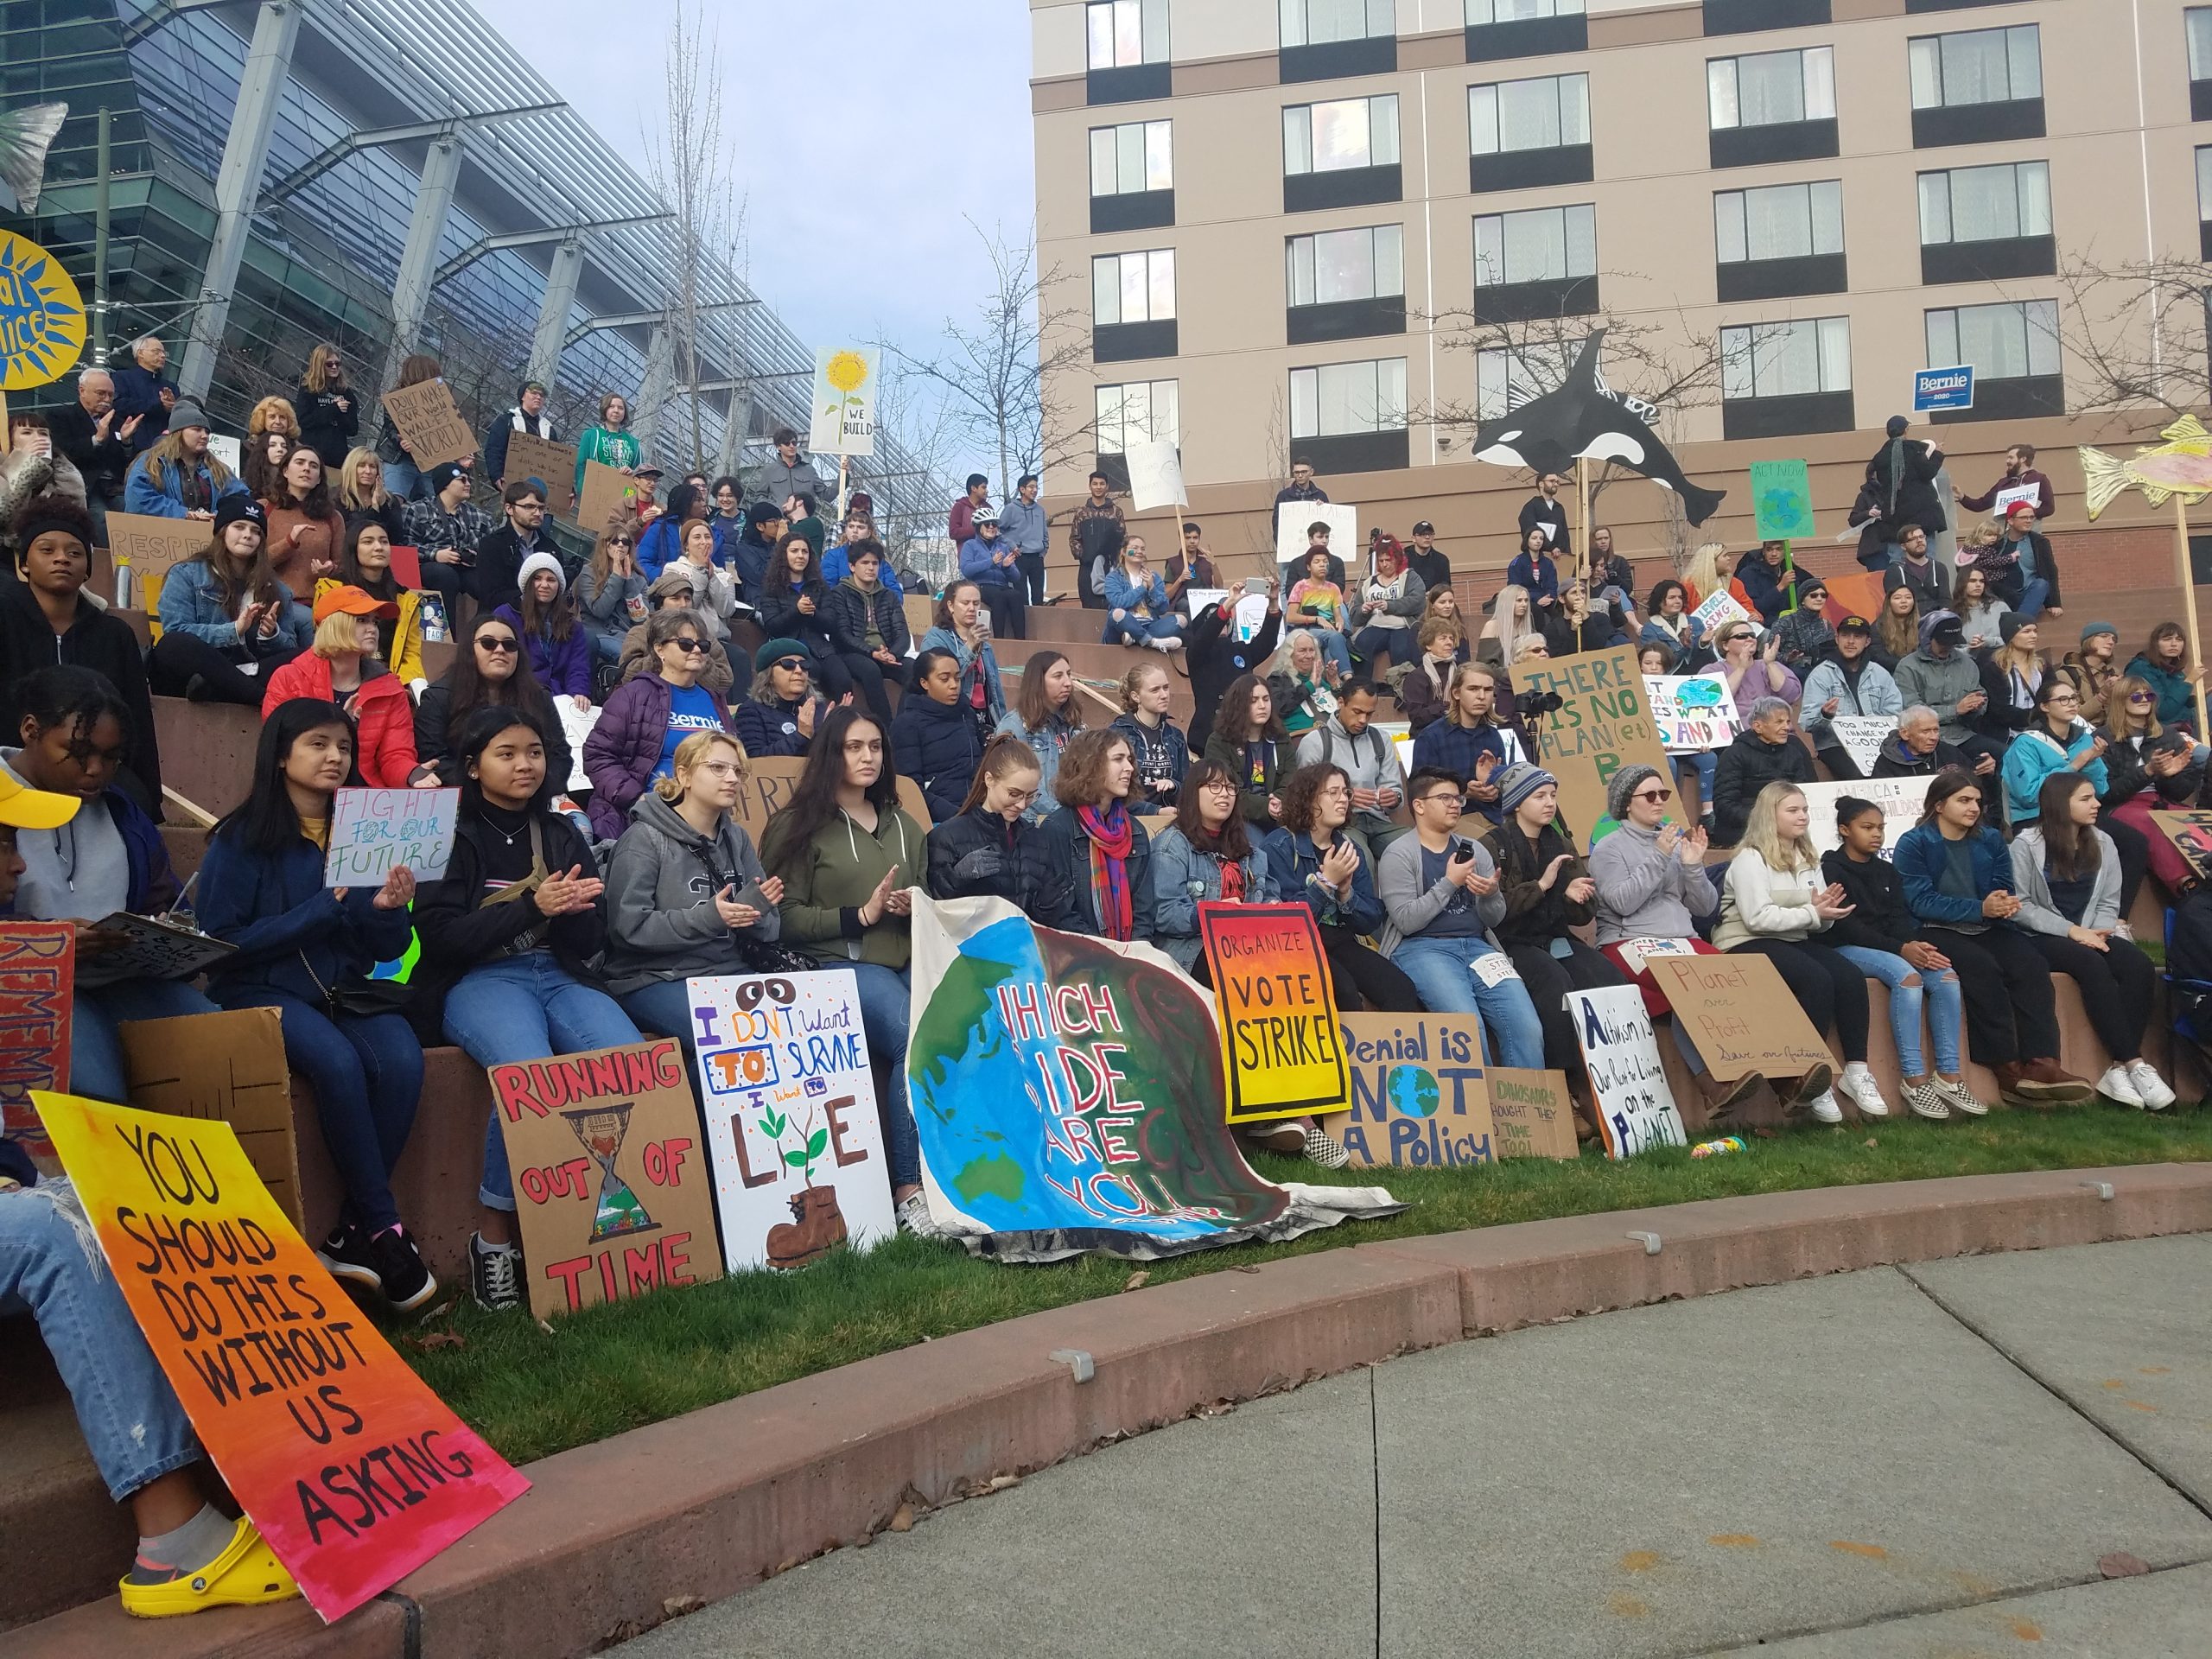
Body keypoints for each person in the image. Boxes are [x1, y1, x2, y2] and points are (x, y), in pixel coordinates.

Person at [196, 698, 431, 1306]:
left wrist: (386, 911)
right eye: (318, 745)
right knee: (336, 1062)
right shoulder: (241, 839)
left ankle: (352, 1232)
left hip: (342, 990)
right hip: (258, 990)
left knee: (404, 1057)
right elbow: (220, 946)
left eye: (344, 748)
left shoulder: (363, 832)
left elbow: (387, 944)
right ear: (280, 756)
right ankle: (383, 1227)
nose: (335, 757)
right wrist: (321, 908)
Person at [411, 709, 641, 1310]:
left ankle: (598, 1234)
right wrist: (534, 907)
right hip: (480, 980)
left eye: (534, 753)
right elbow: (440, 938)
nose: (524, 765)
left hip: (561, 977)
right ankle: (493, 1243)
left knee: (627, 1063)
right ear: (473, 765)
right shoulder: (449, 834)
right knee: (528, 1077)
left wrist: (579, 914)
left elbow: (589, 946)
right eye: (507, 753)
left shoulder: (564, 832)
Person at [2, 668, 214, 1101]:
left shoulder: (121, 810)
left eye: (111, 757)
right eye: (78, 752)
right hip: (33, 987)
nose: (96, 771)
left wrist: (167, 931)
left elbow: (165, 897)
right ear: (30, 730)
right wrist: (49, 944)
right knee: (98, 1094)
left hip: (125, 978)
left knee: (219, 1046)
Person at [760, 705, 931, 1230]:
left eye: (875, 747)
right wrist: (859, 916)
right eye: (854, 747)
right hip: (835, 967)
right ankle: (908, 1191)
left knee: (967, 1021)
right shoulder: (797, 826)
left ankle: (965, 1176)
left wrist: (914, 904)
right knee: (912, 1033)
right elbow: (778, 921)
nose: (867, 757)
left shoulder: (905, 823)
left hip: (908, 957)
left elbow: (930, 895)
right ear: (830, 754)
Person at [1893, 767, 2093, 1106]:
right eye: (1964, 800)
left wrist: (2003, 903)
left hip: (1990, 926)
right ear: (1939, 805)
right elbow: (1920, 901)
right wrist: (1980, 909)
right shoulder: (1915, 843)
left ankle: (2044, 1063)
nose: (1973, 808)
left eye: (1977, 801)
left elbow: (2002, 885)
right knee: (1982, 969)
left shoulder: (1989, 839)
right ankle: (2007, 1069)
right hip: (1935, 929)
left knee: (2031, 965)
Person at [1587, 763, 1772, 1122]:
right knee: (1687, 988)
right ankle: (1711, 1086)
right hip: (1630, 942)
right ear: (1628, 803)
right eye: (1650, 795)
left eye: (1665, 794)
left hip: (1682, 939)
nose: (1660, 802)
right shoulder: (1609, 849)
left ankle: (1785, 1081)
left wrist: (1692, 866)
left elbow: (1705, 907)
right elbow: (1622, 902)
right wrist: (1659, 855)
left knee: (1742, 979)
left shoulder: (1674, 843)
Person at [602, 728, 785, 1072]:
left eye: (737, 771)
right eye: (717, 768)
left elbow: (772, 928)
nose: (731, 778)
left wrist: (754, 911)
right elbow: (627, 929)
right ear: (684, 775)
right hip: (656, 978)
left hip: (730, 974)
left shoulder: (737, 838)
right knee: (729, 1043)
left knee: (792, 1029)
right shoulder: (644, 839)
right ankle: (709, 1127)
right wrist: (712, 918)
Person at [1713, 781, 1880, 1122]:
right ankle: (1805, 1077)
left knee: (1848, 976)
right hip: (1742, 941)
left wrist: (1826, 916)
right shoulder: (1750, 858)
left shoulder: (1807, 856)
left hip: (1791, 937)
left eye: (1804, 809)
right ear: (1769, 815)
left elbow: (1813, 921)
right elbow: (1756, 918)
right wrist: (1813, 913)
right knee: (1815, 979)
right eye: (1793, 810)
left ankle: (1856, 1071)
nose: (1802, 816)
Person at [1476, 763, 1630, 1122]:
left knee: (1611, 981)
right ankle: (1569, 1086)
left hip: (1556, 936)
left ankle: (1616, 1085)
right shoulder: (1493, 845)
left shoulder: (1560, 843)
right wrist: (1543, 887)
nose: (1549, 803)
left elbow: (1585, 911)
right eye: (1539, 796)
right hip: (1510, 942)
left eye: (1553, 795)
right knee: (1555, 986)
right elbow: (1493, 912)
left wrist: (1573, 899)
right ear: (1516, 803)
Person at [2010, 773, 2174, 1109]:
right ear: (2060, 803)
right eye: (2085, 798)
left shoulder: (2103, 842)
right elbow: (2020, 905)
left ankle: (2117, 1070)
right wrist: (2072, 932)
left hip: (2093, 932)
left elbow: (2109, 901)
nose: (2096, 804)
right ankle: (2134, 1062)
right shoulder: (2025, 845)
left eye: (2094, 797)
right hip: (2042, 936)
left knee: (2138, 965)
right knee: (2090, 964)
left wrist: (2098, 932)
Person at [1820, 795, 1980, 1121]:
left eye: (1881, 827)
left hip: (1892, 946)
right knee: (1908, 978)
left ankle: (1949, 1076)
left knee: (1946, 976)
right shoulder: (1830, 869)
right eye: (1867, 827)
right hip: (1844, 948)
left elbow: (1899, 919)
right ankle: (1914, 1079)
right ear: (1844, 830)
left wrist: (1915, 945)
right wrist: (1901, 950)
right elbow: (1847, 927)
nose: (1876, 834)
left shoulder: (1887, 871)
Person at [2, 494, 162, 812]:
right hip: (13, 770)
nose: (62, 558)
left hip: (94, 775)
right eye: (47, 550)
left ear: (88, 567)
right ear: (23, 563)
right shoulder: (4, 618)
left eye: (75, 552)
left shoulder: (114, 635)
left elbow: (136, 719)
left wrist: (148, 793)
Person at [1378, 766, 1546, 1068]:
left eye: (1458, 798)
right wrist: (1450, 882)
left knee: (1527, 1027)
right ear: (1418, 805)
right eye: (1445, 798)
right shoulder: (1398, 854)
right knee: (1467, 1029)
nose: (1455, 804)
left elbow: (1493, 920)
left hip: (1479, 947)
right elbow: (1405, 921)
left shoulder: (1476, 851)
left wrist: (1490, 894)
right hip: (1423, 948)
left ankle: (1523, 1112)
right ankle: (1481, 1110)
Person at [1268, 761, 1420, 1023]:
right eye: (1333, 793)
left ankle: (1394, 1064)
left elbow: (1370, 920)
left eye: (1346, 793)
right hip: (1297, 948)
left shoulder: (1349, 848)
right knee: (1344, 992)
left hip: (1342, 942)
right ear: (1309, 798)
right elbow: (1283, 922)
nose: (1343, 800)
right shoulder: (1279, 846)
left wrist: (1346, 893)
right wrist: (1326, 883)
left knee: (1402, 990)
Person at [585, 607, 734, 842]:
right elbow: (597, 754)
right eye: (685, 643)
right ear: (659, 649)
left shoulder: (715, 700)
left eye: (702, 645)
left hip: (706, 823)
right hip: (647, 819)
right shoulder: (633, 694)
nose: (696, 650)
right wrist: (637, 799)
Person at [147, 495, 311, 704]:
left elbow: (289, 646)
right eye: (239, 527)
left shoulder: (279, 591)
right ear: (222, 531)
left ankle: (220, 690)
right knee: (173, 644)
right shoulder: (186, 573)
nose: (247, 535)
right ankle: (259, 698)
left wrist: (271, 636)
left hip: (245, 671)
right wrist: (234, 630)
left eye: (255, 531)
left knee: (303, 657)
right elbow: (176, 629)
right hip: (196, 672)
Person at [926, 733, 1077, 922]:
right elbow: (931, 913)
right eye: (1014, 794)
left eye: (1031, 796)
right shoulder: (946, 837)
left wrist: (1047, 906)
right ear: (989, 780)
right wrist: (956, 877)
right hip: (972, 949)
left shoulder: (1037, 840)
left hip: (1024, 947)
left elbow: (1048, 919)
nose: (1022, 805)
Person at [1147, 757, 1275, 976]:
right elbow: (1165, 914)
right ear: (1193, 793)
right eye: (1214, 786)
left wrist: (1274, 906)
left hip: (1249, 945)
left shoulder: (1251, 850)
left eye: (1230, 787)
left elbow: (1271, 895)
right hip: (1193, 949)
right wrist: (1213, 914)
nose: (1224, 794)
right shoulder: (1172, 845)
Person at [415, 611, 569, 788]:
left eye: (510, 645)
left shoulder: (539, 698)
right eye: (488, 643)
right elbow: (434, 760)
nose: (500, 650)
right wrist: (494, 786)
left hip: (531, 797)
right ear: (469, 651)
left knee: (578, 818)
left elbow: (559, 756)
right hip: (465, 799)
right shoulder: (438, 697)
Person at [1038, 728, 1157, 944]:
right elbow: (1059, 912)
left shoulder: (1136, 832)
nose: (1129, 768)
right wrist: (1105, 951)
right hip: (1080, 954)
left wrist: (1134, 950)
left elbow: (1144, 911)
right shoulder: (1057, 829)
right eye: (1118, 759)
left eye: (1129, 760)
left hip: (1130, 955)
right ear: (1091, 766)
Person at [2098, 674, 2203, 895]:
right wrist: (2147, 771)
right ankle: (2186, 884)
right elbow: (2106, 792)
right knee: (2152, 823)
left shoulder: (2167, 735)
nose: (2144, 699)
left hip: (2160, 801)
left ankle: (2206, 877)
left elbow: (2181, 792)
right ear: (2120, 700)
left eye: (2149, 695)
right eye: (2136, 696)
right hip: (2122, 805)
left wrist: (2168, 775)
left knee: (2196, 822)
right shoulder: (2102, 738)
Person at [1297, 678, 1404, 856]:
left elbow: (1395, 788)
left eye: (1369, 714)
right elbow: (1304, 795)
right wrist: (1346, 798)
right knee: (1361, 857)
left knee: (1414, 848)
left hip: (1379, 820)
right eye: (1357, 711)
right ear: (1340, 703)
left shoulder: (1381, 739)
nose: (1363, 720)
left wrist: (1393, 797)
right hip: (1339, 823)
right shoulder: (1315, 743)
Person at [1893, 612, 2001, 771]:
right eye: (1943, 643)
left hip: (1962, 734)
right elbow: (1910, 710)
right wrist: (1955, 710)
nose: (1948, 647)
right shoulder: (1907, 667)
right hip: (1925, 738)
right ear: (1927, 639)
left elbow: (1979, 693)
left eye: (1952, 643)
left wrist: (1977, 705)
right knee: (1959, 764)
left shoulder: (1967, 663)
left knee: (2004, 756)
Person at [325, 513, 425, 684]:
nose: (379, 547)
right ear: (353, 548)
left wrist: (403, 683)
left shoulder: (405, 599)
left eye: (384, 541)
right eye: (368, 541)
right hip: (344, 677)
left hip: (391, 678)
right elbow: (329, 643)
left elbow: (411, 653)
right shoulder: (333, 588)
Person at [1799, 615, 1900, 781]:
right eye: (1845, 635)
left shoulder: (1881, 674)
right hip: (1836, 746)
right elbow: (1807, 722)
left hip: (1879, 745)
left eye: (1858, 636)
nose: (1851, 641)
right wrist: (1825, 716)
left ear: (1867, 642)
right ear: (1837, 639)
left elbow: (1895, 714)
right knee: (1862, 777)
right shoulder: (1820, 675)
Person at [1411, 661, 1515, 822]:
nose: (1481, 696)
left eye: (1488, 690)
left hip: (1494, 816)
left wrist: (1494, 787)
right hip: (1451, 818)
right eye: (1473, 689)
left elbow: (1506, 790)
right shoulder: (1431, 737)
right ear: (1456, 693)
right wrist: (1464, 792)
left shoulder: (1493, 736)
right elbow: (1419, 791)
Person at [1185, 579, 1282, 749]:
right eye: (1216, 619)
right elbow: (1205, 636)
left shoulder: (1240, 650)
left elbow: (1266, 642)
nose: (1224, 623)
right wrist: (1228, 604)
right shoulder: (1196, 651)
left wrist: (1273, 602)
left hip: (1242, 731)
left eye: (1227, 621)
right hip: (1209, 735)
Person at [823, 539, 910, 723]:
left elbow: (902, 632)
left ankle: (903, 724)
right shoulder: (840, 593)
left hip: (886, 654)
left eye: (875, 563)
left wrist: (893, 654)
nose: (871, 568)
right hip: (852, 653)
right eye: (865, 563)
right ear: (852, 566)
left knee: (915, 669)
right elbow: (842, 634)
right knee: (870, 670)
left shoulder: (888, 595)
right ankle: (885, 726)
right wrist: (872, 653)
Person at [48, 367, 138, 543]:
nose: (106, 400)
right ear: (82, 391)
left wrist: (126, 442)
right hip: (84, 484)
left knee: (135, 519)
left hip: (115, 486)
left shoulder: (118, 422)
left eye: (110, 395)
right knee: (101, 521)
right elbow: (62, 452)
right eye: (101, 393)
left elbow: (128, 462)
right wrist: (96, 440)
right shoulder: (60, 417)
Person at [1711, 695, 1816, 847]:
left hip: (1786, 826)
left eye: (1787, 722)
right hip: (1744, 828)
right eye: (1779, 722)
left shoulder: (1794, 753)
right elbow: (1724, 804)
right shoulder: (1734, 754)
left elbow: (1805, 792)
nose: (1786, 727)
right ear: (1758, 726)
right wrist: (1765, 820)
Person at [891, 647, 982, 821]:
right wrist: (958, 817)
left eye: (957, 678)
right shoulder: (906, 725)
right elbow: (910, 790)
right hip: (937, 821)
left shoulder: (967, 715)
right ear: (924, 683)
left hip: (977, 811)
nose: (954, 685)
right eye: (944, 679)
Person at [493, 550, 591, 710]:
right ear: (527, 583)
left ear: (559, 587)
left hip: (559, 701)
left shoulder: (573, 626)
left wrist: (578, 693)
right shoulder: (506, 615)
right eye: (537, 578)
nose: (544, 585)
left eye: (551, 580)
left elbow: (578, 667)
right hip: (517, 696)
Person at [995, 649, 1083, 823]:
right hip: (1029, 821)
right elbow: (1013, 781)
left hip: (1070, 819)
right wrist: (1061, 815)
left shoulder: (1073, 724)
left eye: (1068, 674)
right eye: (1058, 676)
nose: (1068, 683)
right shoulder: (1014, 725)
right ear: (1038, 682)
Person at [123, 403, 246, 520]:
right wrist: (183, 514)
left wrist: (219, 517)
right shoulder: (152, 462)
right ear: (179, 432)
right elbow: (138, 499)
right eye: (197, 429)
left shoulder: (218, 468)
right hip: (159, 535)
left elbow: (240, 498)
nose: (205, 436)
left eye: (207, 431)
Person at [919, 578, 1007, 745]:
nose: (971, 608)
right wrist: (970, 647)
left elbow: (996, 690)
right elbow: (942, 677)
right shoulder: (936, 638)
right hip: (953, 717)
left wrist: (1003, 724)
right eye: (965, 603)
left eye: (976, 603)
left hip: (985, 718)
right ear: (951, 606)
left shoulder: (985, 646)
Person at [402, 461, 493, 613]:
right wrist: (436, 554)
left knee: (486, 583)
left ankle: (483, 630)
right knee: (445, 576)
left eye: (469, 479)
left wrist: (476, 557)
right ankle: (447, 634)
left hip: (466, 569)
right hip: (430, 565)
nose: (468, 484)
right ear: (445, 484)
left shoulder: (479, 515)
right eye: (462, 480)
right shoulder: (417, 510)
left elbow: (491, 549)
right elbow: (406, 545)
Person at [1205, 671, 1292, 830]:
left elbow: (1290, 780)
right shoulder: (1219, 742)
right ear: (1238, 704)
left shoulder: (1281, 738)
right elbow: (1229, 790)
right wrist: (1267, 806)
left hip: (1279, 814)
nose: (1262, 706)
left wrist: (1278, 802)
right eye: (1254, 701)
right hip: (1238, 819)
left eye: (1266, 699)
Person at [257, 441, 345, 595]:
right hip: (271, 599)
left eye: (313, 466)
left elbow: (342, 566)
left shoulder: (333, 517)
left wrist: (329, 570)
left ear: (319, 479)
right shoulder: (264, 508)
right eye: (300, 462)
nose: (306, 468)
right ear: (285, 471)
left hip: (316, 602)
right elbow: (253, 563)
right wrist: (289, 542)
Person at [1111, 658, 1189, 812]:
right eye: (1155, 690)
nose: (1164, 695)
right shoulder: (1117, 734)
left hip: (1169, 816)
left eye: (1166, 688)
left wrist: (1173, 785)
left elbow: (1187, 788)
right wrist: (1154, 811)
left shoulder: (1175, 736)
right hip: (1127, 819)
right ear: (1136, 696)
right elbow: (1111, 791)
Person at [1867, 416, 1947, 564]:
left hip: (1894, 518)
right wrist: (1938, 455)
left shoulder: (1880, 457)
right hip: (1921, 515)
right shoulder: (1914, 449)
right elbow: (1927, 473)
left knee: (1897, 560)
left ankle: (1900, 586)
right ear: (1906, 430)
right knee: (1926, 559)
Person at [735, 638, 832, 760]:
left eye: (804, 665)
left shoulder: (818, 708)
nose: (799, 671)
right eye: (788, 664)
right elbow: (754, 759)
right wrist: (801, 735)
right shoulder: (751, 711)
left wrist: (833, 731)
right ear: (769, 675)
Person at [474, 480, 554, 613]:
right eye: (529, 506)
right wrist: (535, 596)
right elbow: (492, 597)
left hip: (540, 623)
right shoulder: (491, 545)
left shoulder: (551, 549)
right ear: (509, 509)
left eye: (541, 508)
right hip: (499, 622)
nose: (537, 513)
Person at [374, 353, 447, 500]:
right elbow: (390, 428)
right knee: (394, 501)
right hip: (400, 459)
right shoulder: (396, 398)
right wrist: (400, 441)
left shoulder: (440, 402)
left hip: (429, 463)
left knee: (434, 506)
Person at [575, 523, 648, 667]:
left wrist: (629, 581)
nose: (620, 545)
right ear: (604, 544)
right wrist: (617, 577)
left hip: (629, 638)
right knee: (633, 662)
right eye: (615, 541)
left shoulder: (639, 579)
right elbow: (600, 611)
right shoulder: (588, 573)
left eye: (625, 542)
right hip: (598, 636)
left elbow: (641, 620)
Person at [1975, 502, 2063, 620]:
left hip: (2029, 591)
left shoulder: (2040, 542)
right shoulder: (1997, 543)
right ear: (2010, 520)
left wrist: (2054, 604)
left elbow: (2051, 572)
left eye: (2031, 517)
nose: (2029, 520)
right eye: (2023, 517)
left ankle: (2019, 624)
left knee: (2041, 584)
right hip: (2004, 594)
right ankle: (2019, 623)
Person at [1873, 703, 1994, 787]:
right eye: (1925, 731)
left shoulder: (1949, 752)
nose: (1934, 737)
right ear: (1905, 734)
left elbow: (1977, 789)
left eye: (1936, 730)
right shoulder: (1887, 763)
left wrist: (1986, 773)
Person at [1351, 537, 1425, 672]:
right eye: (1381, 561)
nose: (1385, 564)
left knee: (1401, 649)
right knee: (1362, 644)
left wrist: (1389, 606)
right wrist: (1363, 610)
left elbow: (1417, 601)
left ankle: (1400, 688)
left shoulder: (1409, 576)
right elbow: (1355, 616)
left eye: (1389, 560)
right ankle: (1363, 687)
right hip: (1375, 625)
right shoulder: (1369, 582)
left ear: (1397, 559)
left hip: (1403, 626)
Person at [958, 505, 1027, 642]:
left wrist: (1007, 567)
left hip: (1002, 585)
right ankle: (999, 640)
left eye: (994, 524)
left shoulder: (1003, 547)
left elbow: (1016, 576)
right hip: (981, 586)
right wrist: (991, 562)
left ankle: (1021, 641)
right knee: (999, 597)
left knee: (1016, 596)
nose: (991, 527)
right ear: (978, 527)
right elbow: (966, 569)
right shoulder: (970, 545)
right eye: (987, 524)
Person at [1713, 619, 1799, 728]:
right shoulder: (1712, 670)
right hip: (1735, 736)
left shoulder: (1769, 665)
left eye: (1752, 635)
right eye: (1741, 636)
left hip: (1776, 732)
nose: (1750, 639)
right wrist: (1741, 669)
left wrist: (1770, 664)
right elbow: (1715, 702)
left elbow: (1791, 696)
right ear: (1725, 645)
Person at [1285, 543, 1354, 677]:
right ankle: (1349, 677)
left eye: (1325, 562)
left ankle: (1334, 685)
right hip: (1307, 630)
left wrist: (1339, 624)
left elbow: (1338, 616)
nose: (1322, 565)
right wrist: (1317, 619)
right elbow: (1290, 617)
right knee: (1335, 637)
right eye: (1317, 562)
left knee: (1330, 650)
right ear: (1309, 567)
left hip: (1329, 630)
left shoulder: (1333, 588)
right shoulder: (1301, 586)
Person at [2125, 622, 2203, 736]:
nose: (2173, 644)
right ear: (2155, 644)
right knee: (2203, 753)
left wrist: (2200, 698)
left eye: (2179, 639)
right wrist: (2189, 682)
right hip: (2155, 732)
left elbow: (2178, 703)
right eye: (2167, 639)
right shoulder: (2141, 668)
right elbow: (2161, 711)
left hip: (2185, 725)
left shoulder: (2175, 672)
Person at [1103, 537, 1180, 652]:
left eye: (1142, 549)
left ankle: (1135, 639)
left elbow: (1163, 609)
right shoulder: (1113, 577)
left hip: (1149, 624)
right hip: (1124, 626)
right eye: (1134, 548)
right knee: (1117, 614)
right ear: (1123, 552)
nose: (1139, 551)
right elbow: (1118, 602)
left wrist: (1152, 587)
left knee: (1181, 620)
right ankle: (1152, 641)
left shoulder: (1153, 576)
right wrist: (1143, 588)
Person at [1980, 613, 2046, 743]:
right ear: (2011, 636)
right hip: (2005, 735)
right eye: (2026, 631)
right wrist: (2039, 715)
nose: (2033, 635)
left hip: (2041, 730)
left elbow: (2051, 695)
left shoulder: (2042, 665)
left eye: (2035, 631)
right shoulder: (1994, 667)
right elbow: (1999, 711)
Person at [293, 343, 359, 468]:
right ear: (320, 365)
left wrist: (341, 413)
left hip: (336, 458)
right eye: (329, 364)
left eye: (337, 364)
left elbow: (353, 429)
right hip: (310, 453)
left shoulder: (346, 393)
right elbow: (304, 420)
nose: (334, 367)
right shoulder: (308, 389)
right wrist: (334, 408)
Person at [483, 379, 556, 489]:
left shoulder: (549, 429)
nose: (538, 397)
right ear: (523, 396)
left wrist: (566, 490)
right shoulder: (507, 420)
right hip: (512, 485)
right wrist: (497, 475)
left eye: (542, 395)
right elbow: (494, 450)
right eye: (534, 393)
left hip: (539, 489)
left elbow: (557, 463)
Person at [110, 335, 175, 454]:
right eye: (157, 352)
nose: (163, 356)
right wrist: (158, 405)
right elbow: (117, 405)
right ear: (140, 354)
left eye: (164, 353)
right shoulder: (122, 377)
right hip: (128, 446)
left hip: (160, 451)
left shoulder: (171, 387)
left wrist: (172, 408)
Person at [1399, 615, 1465, 733]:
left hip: (1458, 733)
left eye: (1451, 638)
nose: (1449, 642)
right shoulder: (1416, 677)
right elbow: (1417, 717)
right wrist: (1448, 707)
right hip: (1426, 736)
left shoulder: (1461, 673)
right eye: (1443, 638)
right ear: (1428, 645)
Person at [1957, 442, 2055, 521]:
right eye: (2007, 457)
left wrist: (2025, 515)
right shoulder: (2003, 483)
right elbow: (1981, 505)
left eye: (2011, 458)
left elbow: (2049, 508)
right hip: (2003, 536)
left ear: (2023, 459)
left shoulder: (2039, 479)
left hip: (2029, 536)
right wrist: (1962, 497)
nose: (2007, 461)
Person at [573, 392, 641, 499]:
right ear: (605, 409)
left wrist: (632, 473)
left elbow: (641, 474)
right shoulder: (591, 435)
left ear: (625, 413)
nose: (616, 411)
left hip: (622, 497)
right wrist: (583, 492)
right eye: (611, 406)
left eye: (620, 408)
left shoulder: (634, 443)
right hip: (596, 494)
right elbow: (581, 466)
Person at [335, 444, 408, 543]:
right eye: (361, 466)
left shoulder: (390, 500)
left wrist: (383, 506)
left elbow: (397, 538)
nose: (368, 471)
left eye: (372, 467)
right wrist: (374, 510)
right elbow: (347, 533)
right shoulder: (337, 497)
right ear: (351, 468)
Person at [1001, 473, 1049, 605]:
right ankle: (1024, 624)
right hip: (1019, 557)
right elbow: (999, 530)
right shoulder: (1010, 509)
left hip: (1037, 557)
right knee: (1021, 595)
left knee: (1038, 595)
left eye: (1036, 487)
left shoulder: (1040, 510)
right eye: (1031, 487)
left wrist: (1043, 550)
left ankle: (1038, 624)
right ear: (1022, 489)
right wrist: (1012, 546)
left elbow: (1045, 533)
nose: (1034, 490)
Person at [1639, 579, 1707, 671]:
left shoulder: (1695, 622)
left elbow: (1706, 657)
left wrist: (1703, 643)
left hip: (1699, 673)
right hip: (1670, 678)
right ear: (1659, 601)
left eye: (1680, 597)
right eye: (1672, 597)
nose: (1678, 601)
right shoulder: (1650, 629)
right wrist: (1684, 646)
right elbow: (1662, 663)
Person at [1770, 576, 1834, 676]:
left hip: (1821, 675)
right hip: (1791, 676)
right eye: (1814, 595)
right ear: (1803, 600)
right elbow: (1768, 653)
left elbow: (1832, 653)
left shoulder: (1826, 624)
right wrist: (1788, 658)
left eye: (1823, 595)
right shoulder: (1785, 622)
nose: (1819, 599)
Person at [1881, 524, 1948, 616]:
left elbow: (1946, 599)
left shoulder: (1939, 568)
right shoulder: (1895, 571)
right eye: (1913, 539)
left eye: (1921, 537)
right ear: (1903, 546)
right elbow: (1894, 604)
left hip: (1936, 620)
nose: (1919, 541)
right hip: (1908, 621)